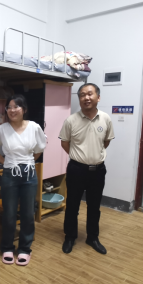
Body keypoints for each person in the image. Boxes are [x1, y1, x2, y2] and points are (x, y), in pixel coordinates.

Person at [0, 94, 46, 266]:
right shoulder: (1, 129)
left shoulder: (34, 127)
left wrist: (28, 161)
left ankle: (24, 249)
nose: (12, 110)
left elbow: (39, 149)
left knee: (28, 214)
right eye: (9, 107)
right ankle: (7, 247)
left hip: (29, 174)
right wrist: (7, 162)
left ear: (24, 109)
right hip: (9, 174)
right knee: (9, 213)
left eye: (16, 107)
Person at [59, 83, 114, 255]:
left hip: (98, 170)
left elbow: (106, 141)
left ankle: (92, 237)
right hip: (76, 169)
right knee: (72, 205)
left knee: (94, 206)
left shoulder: (105, 119)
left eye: (90, 94)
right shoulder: (71, 120)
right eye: (82, 95)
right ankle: (70, 237)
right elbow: (64, 143)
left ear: (98, 97)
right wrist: (79, 157)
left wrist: (93, 156)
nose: (86, 98)